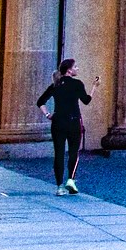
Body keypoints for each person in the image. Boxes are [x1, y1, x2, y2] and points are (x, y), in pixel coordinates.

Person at [36, 57, 91, 196]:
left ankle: (59, 186)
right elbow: (86, 101)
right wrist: (95, 87)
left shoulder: (56, 84)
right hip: (74, 122)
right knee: (74, 152)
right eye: (76, 67)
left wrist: (48, 114)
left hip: (58, 121)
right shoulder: (77, 84)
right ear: (69, 70)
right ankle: (70, 180)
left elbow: (40, 101)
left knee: (59, 153)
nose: (77, 69)